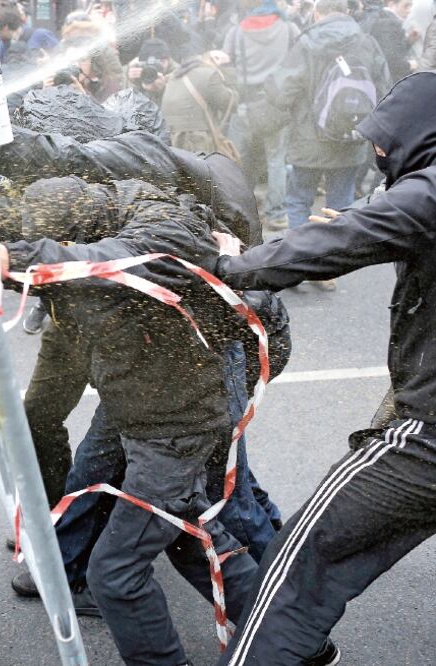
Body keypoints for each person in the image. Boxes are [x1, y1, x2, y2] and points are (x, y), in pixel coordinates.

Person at [211, 69, 436, 666]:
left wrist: (234, 265)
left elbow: (350, 237)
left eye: (386, 135)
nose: (377, 148)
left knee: (296, 570)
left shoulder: (431, 193)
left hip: (428, 440)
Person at [0, 178, 261, 666]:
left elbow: (110, 262)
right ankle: (293, 630)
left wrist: (15, 258)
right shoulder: (88, 241)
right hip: (146, 418)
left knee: (114, 574)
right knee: (192, 540)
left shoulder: (156, 229)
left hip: (173, 430)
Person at [269, 0, 389, 240]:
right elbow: (385, 90)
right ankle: (331, 263)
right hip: (350, 137)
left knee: (299, 200)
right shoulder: (367, 42)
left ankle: (300, 257)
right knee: (341, 204)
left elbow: (282, 91)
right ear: (346, 12)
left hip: (307, 138)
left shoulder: (306, 43)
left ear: (316, 13)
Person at [222, 0, 299, 232]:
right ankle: (276, 215)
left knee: (240, 161)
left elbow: (225, 66)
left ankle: (241, 211)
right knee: (276, 160)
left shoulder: (235, 32)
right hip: (277, 105)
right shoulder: (289, 29)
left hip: (245, 106)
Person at [161, 50, 239, 155]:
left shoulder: (178, 73)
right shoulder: (210, 74)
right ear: (215, 60)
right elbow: (230, 102)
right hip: (197, 137)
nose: (227, 67)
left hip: (173, 135)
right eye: (226, 65)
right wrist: (230, 78)